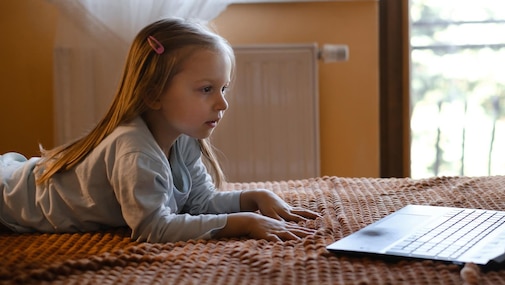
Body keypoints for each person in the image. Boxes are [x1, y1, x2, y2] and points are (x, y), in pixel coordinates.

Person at [0, 17, 320, 243]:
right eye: (207, 89)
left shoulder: (184, 139)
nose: (222, 104)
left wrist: (254, 198)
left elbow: (200, 202)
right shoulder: (135, 150)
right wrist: (244, 222)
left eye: (225, 88)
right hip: (10, 199)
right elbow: (154, 228)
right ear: (154, 94)